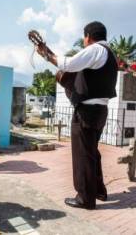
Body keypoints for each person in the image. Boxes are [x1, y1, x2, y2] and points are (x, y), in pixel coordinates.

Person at [36, 21, 118, 209]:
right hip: (100, 111)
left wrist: (47, 55)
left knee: (83, 155)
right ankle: (98, 191)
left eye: (84, 38)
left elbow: (69, 64)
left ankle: (85, 198)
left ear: (88, 36)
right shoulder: (111, 54)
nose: (84, 41)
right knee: (91, 153)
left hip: (87, 111)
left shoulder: (96, 49)